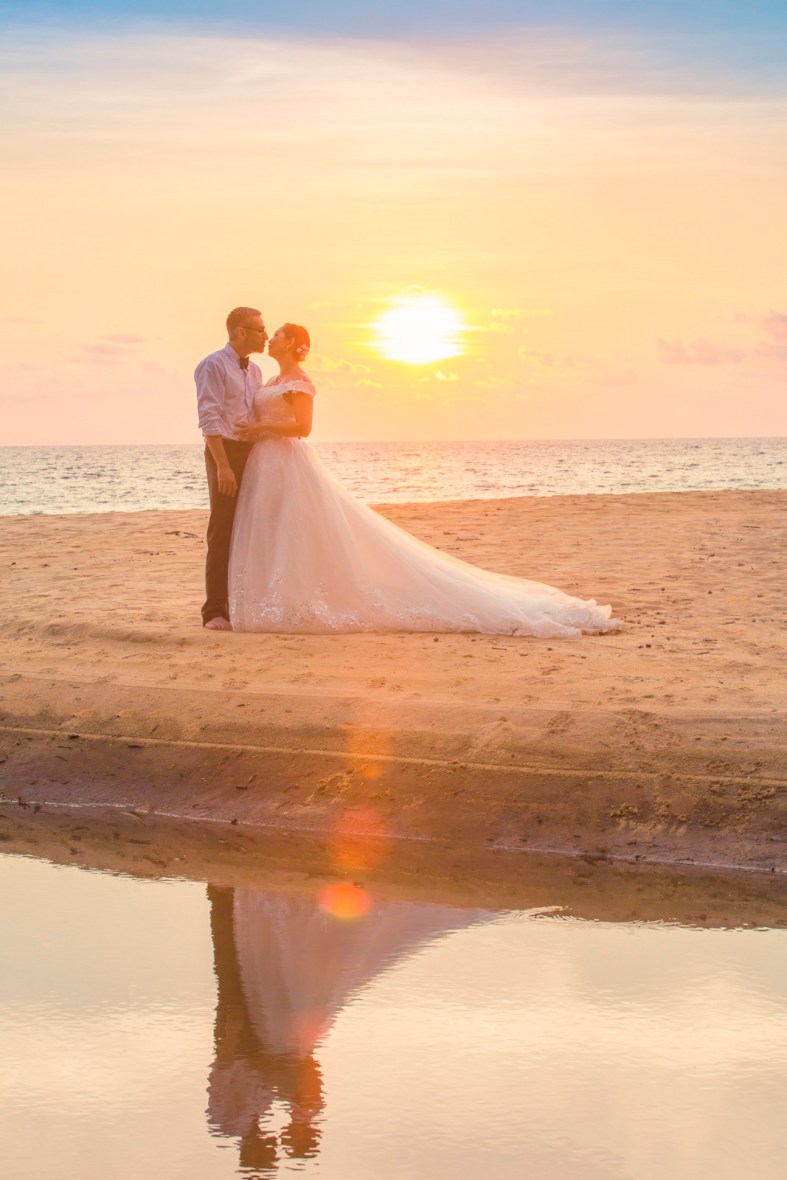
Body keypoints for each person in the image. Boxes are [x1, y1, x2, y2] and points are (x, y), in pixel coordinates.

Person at [229, 323, 620, 636]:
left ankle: (297, 602)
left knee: (297, 530)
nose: (271, 336)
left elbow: (303, 426)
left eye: (278, 332)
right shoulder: (267, 380)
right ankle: (278, 597)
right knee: (275, 531)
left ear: (294, 343)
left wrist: (260, 425)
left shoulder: (299, 381)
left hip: (289, 462)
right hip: (265, 465)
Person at [195, 307, 268, 630]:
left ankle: (239, 602)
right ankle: (213, 611)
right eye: (260, 330)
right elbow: (208, 418)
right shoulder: (212, 365)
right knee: (222, 530)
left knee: (249, 529)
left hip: (252, 452)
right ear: (240, 332)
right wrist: (223, 466)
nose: (265, 336)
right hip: (224, 452)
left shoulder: (255, 372)